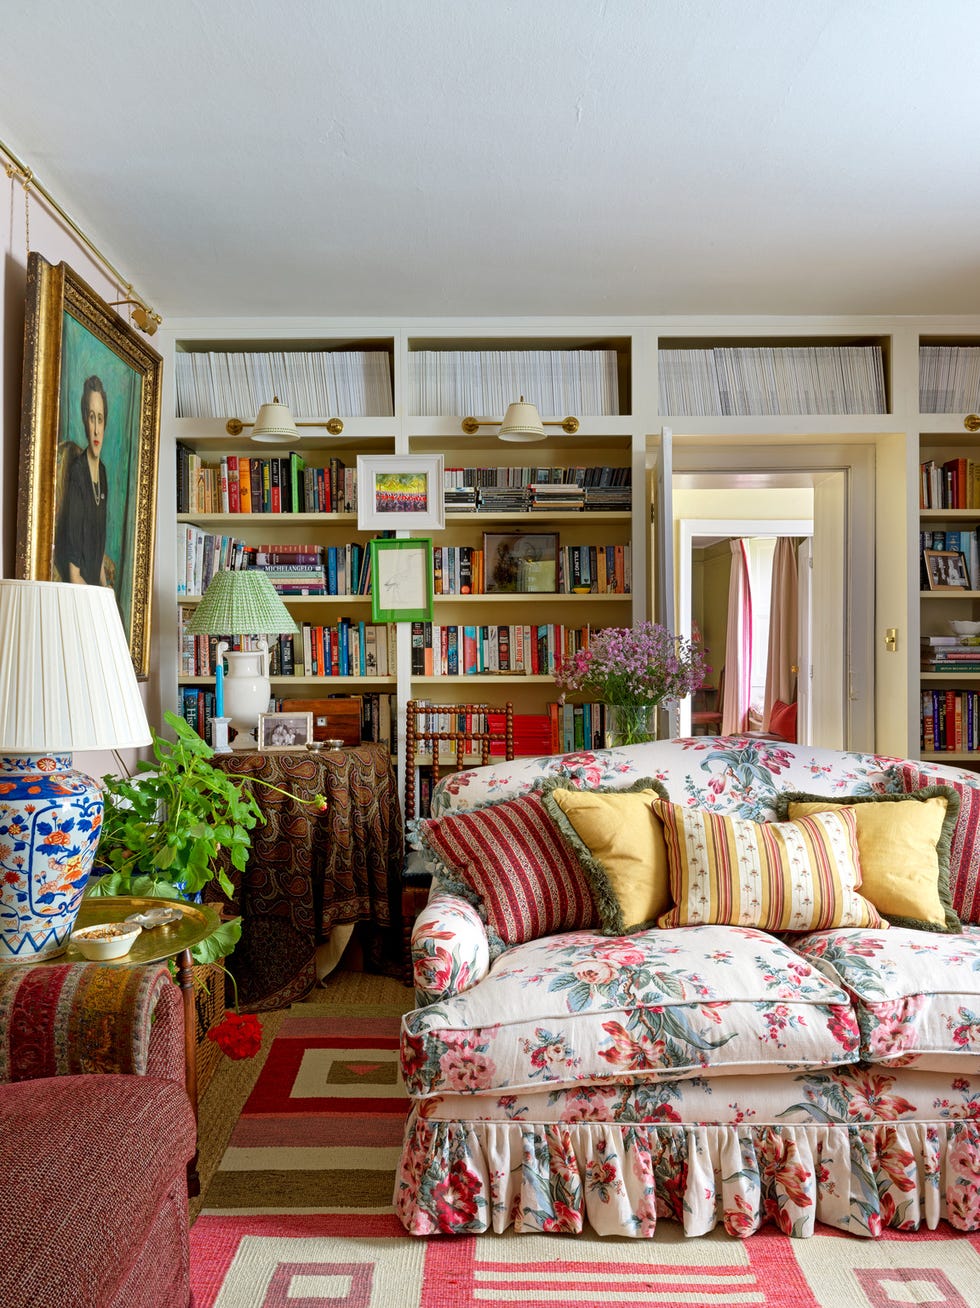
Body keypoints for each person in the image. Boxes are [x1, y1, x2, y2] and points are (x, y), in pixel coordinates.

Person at [55, 375, 109, 586]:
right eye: (91, 417)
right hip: (80, 588)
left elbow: (100, 548)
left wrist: (106, 591)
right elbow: (74, 575)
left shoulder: (102, 473)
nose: (96, 429)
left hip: (96, 587)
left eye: (100, 419)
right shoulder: (78, 472)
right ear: (84, 420)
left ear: (105, 424)